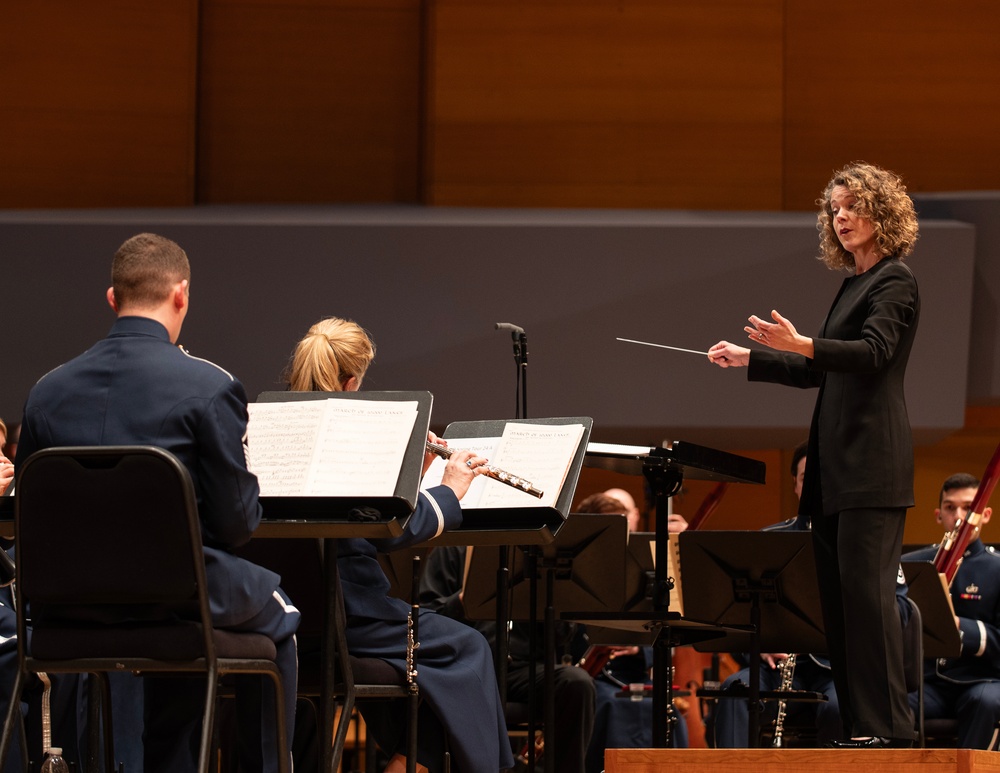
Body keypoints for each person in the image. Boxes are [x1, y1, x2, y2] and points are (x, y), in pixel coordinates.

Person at [16, 233, 301, 773]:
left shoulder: (46, 392)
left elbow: (26, 519)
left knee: (190, 593)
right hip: (175, 599)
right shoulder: (209, 387)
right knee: (279, 613)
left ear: (112, 298)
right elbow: (238, 525)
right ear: (181, 295)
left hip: (64, 609)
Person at [708, 162, 920, 748]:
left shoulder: (895, 281)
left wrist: (802, 342)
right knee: (841, 607)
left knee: (869, 604)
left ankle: (889, 733)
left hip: (871, 469)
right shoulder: (853, 283)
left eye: (853, 205)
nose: (842, 216)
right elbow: (820, 369)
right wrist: (754, 360)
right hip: (835, 474)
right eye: (835, 209)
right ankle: (861, 730)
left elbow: (872, 353)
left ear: (882, 212)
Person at [284, 316, 514, 773]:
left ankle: (408, 761)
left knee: (429, 670)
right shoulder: (346, 436)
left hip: (287, 618)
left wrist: (414, 468)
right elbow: (390, 531)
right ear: (352, 382)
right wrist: (449, 488)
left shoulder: (276, 431)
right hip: (352, 617)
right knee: (465, 650)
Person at [420, 543, 595, 773]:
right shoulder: (453, 550)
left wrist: (556, 600)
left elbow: (564, 636)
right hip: (466, 669)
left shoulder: (537, 552)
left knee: (577, 683)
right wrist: (464, 600)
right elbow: (425, 618)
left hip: (525, 670)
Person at [712, 442, 841, 747]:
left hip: (837, 674)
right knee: (735, 689)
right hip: (778, 668)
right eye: (806, 478)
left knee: (840, 709)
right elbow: (737, 617)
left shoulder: (857, 546)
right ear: (796, 486)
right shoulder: (768, 541)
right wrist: (757, 648)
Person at [903, 473, 1000, 749]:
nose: (959, 516)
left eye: (969, 508)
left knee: (986, 701)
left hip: (981, 680)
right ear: (938, 515)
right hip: (927, 682)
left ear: (986, 515)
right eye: (950, 507)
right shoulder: (914, 564)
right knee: (886, 701)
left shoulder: (997, 568)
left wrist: (956, 624)